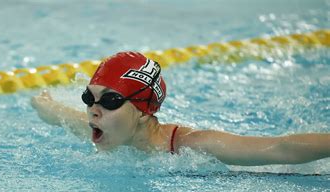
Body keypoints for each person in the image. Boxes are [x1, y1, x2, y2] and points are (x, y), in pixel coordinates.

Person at [31, 51, 330, 166]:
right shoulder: (104, 128)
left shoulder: (191, 147)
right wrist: (42, 103)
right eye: (88, 98)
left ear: (143, 111)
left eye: (110, 101)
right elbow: (57, 115)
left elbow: (281, 149)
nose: (93, 112)